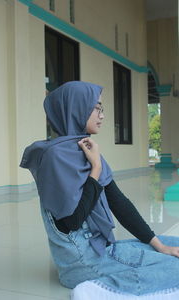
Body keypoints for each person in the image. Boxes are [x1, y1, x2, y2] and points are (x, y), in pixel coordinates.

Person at [20, 81, 179, 297]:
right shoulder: (55, 158)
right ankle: (96, 290)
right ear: (76, 108)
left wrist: (160, 246)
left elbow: (119, 203)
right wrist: (95, 168)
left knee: (172, 245)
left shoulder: (84, 148)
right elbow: (72, 221)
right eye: (96, 107)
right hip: (83, 265)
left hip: (100, 249)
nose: (102, 115)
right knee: (175, 268)